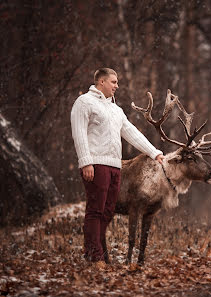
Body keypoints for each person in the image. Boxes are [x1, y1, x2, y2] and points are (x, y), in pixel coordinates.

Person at [70, 68, 164, 269]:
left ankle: (94, 252)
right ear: (101, 82)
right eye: (113, 82)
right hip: (95, 163)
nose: (116, 86)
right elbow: (78, 133)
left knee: (108, 211)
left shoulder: (115, 110)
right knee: (95, 210)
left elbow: (131, 133)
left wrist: (154, 152)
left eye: (117, 82)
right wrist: (86, 161)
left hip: (115, 166)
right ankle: (95, 257)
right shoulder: (84, 102)